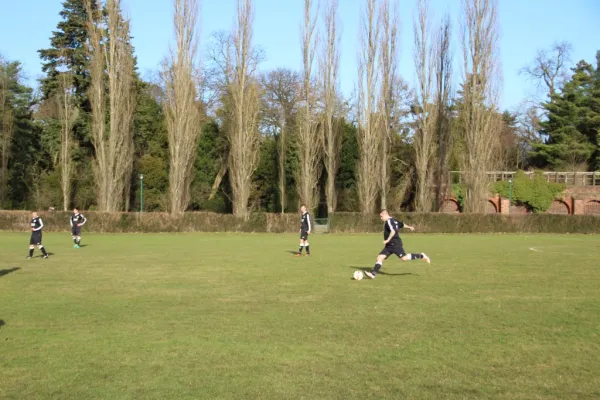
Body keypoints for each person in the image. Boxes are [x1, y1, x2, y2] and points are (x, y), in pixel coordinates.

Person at [364, 209, 430, 279]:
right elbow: (401, 224)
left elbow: (393, 231)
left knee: (404, 258)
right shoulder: (393, 220)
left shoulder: (389, 221)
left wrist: (387, 240)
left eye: (381, 216)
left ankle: (421, 256)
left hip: (395, 244)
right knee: (379, 257)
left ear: (385, 214)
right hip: (389, 246)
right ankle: (373, 274)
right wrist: (409, 227)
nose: (381, 218)